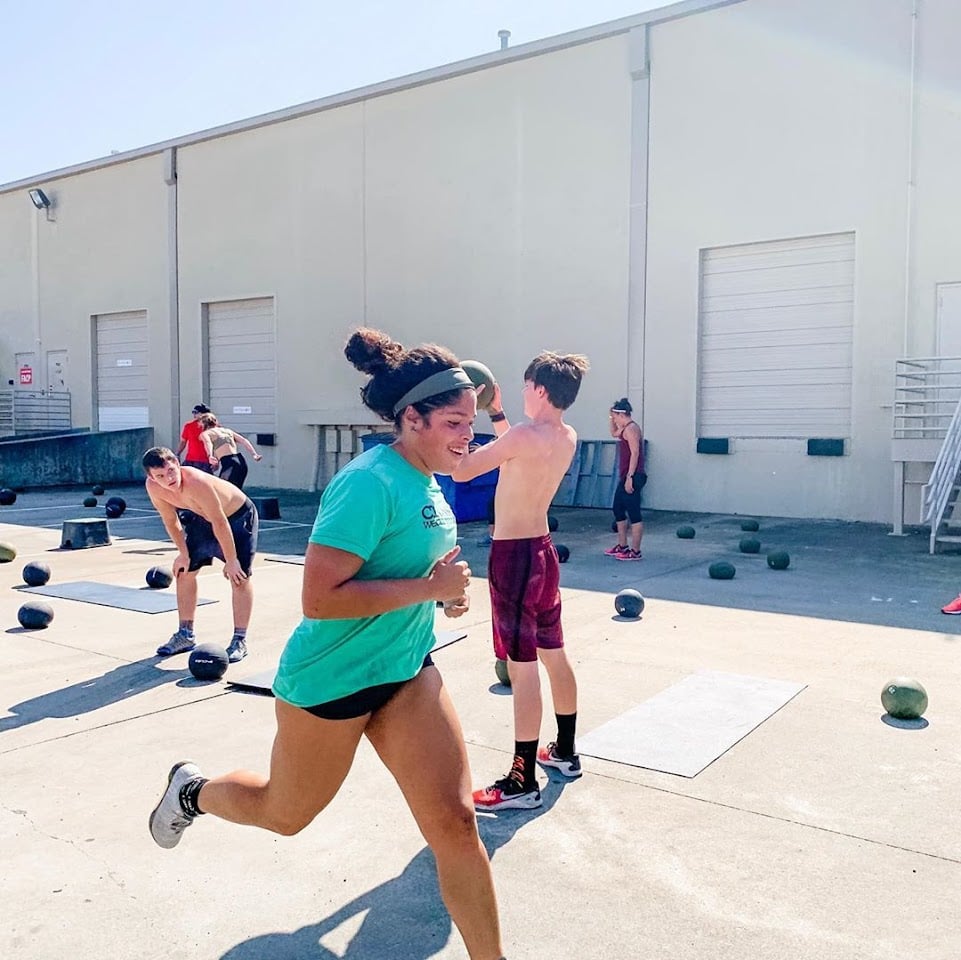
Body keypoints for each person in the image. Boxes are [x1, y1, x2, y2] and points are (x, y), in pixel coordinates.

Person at [147, 329, 508, 960]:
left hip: (405, 672)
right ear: (412, 418)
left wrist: (446, 594)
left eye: (469, 423)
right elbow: (321, 599)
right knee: (284, 814)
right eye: (453, 422)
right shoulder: (368, 482)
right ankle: (192, 791)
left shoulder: (431, 484)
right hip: (331, 682)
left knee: (455, 825)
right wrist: (428, 586)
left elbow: (426, 576)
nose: (466, 437)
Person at [451, 351, 589, 811]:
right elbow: (515, 453)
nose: (524, 391)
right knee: (553, 651)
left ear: (542, 390)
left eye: (528, 386)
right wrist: (496, 412)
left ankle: (521, 780)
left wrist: (457, 431)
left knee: (521, 665)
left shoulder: (525, 437)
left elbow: (463, 469)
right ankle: (565, 752)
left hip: (514, 558)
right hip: (544, 553)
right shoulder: (565, 435)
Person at [142, 447, 258, 663]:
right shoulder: (154, 488)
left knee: (239, 577)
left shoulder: (196, 482)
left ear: (177, 464)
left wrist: (231, 561)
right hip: (202, 518)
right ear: (151, 477)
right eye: (160, 476)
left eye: (171, 471)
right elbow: (170, 521)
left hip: (237, 518)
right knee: (184, 572)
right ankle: (185, 635)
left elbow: (220, 521)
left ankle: (239, 639)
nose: (168, 478)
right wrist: (183, 554)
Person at [605, 398, 646, 561]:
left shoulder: (632, 429)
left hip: (634, 476)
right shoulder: (624, 428)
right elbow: (613, 433)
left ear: (621, 414)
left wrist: (630, 477)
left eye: (614, 416)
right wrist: (610, 419)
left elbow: (635, 453)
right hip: (626, 476)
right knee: (618, 509)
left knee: (634, 513)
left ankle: (635, 551)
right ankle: (622, 546)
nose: (613, 419)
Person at [198, 412, 263, 490]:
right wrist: (254, 454)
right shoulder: (227, 431)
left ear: (204, 423)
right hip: (241, 461)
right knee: (237, 491)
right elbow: (244, 440)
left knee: (222, 490)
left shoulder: (206, 433)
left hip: (229, 462)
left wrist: (210, 455)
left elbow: (208, 443)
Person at [176, 403, 214, 473]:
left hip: (205, 461)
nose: (194, 414)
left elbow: (216, 444)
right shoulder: (188, 426)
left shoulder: (211, 427)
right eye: (193, 412)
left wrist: (215, 459)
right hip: (190, 459)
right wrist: (177, 454)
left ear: (203, 414)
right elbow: (183, 442)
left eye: (196, 412)